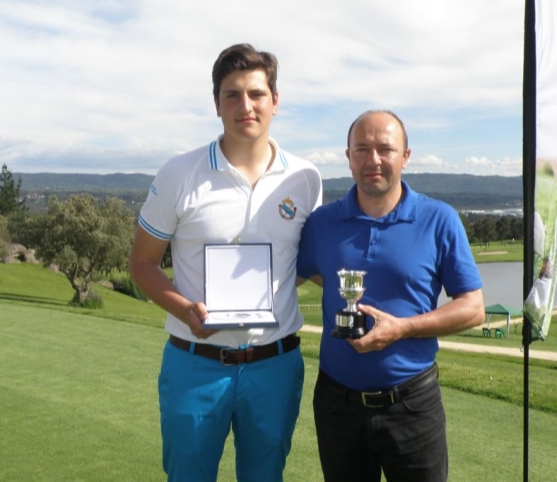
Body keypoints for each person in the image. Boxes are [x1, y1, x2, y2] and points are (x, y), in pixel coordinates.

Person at [129, 43, 322, 482]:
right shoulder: (179, 173)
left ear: (275, 101)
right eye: (231, 94)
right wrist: (184, 310)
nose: (245, 105)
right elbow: (141, 264)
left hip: (275, 365)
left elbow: (307, 262)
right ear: (216, 104)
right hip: (194, 364)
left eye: (256, 94)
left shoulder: (305, 178)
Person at [297, 110, 484, 482]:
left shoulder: (439, 219)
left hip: (412, 405)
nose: (374, 160)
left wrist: (400, 328)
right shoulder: (322, 223)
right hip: (337, 404)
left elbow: (473, 309)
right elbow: (302, 272)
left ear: (406, 156)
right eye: (362, 149)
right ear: (348, 156)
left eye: (385, 148)